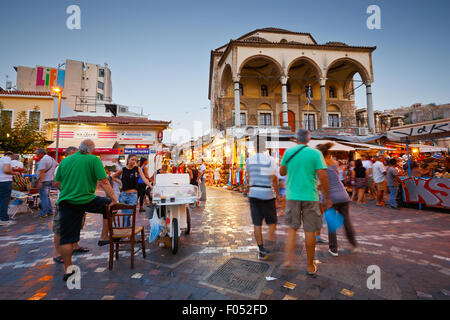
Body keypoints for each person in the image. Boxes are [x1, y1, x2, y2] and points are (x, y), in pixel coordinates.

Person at [55, 139, 118, 281]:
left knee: (66, 238)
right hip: (86, 199)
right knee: (109, 206)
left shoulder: (65, 161)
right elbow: (104, 181)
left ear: (79, 147)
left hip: (66, 202)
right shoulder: (93, 160)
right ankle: (103, 237)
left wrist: (69, 192)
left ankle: (68, 270)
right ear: (92, 150)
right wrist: (114, 199)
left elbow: (57, 183)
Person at [280, 129, 331, 276]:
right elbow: (323, 176)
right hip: (310, 196)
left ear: (296, 138)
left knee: (292, 229)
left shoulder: (288, 152)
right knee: (310, 231)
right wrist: (327, 197)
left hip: (292, 196)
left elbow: (282, 172)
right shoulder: (316, 153)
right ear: (309, 139)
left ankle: (288, 261)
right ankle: (309, 266)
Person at [316, 143, 358, 256]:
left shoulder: (319, 165)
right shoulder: (334, 163)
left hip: (331, 197)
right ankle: (354, 244)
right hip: (343, 195)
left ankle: (333, 249)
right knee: (347, 221)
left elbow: (321, 183)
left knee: (331, 223)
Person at [52, 147, 89, 264]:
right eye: (73, 155)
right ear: (67, 155)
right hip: (64, 202)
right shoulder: (61, 167)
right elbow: (58, 183)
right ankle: (58, 253)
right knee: (59, 228)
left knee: (77, 225)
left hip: (78, 201)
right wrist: (69, 193)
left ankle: (75, 246)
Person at [245, 140, 279, 260]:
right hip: (267, 193)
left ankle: (261, 249)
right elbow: (274, 178)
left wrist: (248, 188)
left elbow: (247, 176)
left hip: (253, 193)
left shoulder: (249, 160)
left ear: (254, 147)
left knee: (257, 223)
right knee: (272, 221)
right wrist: (278, 194)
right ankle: (270, 239)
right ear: (265, 148)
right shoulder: (270, 160)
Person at [112, 154, 152, 224]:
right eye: (132, 159)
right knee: (125, 215)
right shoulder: (123, 169)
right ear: (128, 160)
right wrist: (120, 182)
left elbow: (144, 179)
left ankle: (127, 231)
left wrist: (151, 186)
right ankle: (128, 231)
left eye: (135, 160)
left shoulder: (137, 169)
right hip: (123, 195)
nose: (134, 161)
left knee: (129, 215)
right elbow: (113, 176)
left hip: (133, 195)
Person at [35, 148, 58, 218]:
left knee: (43, 197)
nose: (37, 155)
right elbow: (57, 165)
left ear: (41, 153)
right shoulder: (51, 159)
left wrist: (40, 182)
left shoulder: (43, 160)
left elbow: (42, 172)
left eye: (37, 154)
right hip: (50, 180)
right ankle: (49, 211)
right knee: (46, 197)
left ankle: (44, 213)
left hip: (44, 181)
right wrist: (53, 178)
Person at [0, 151, 20, 226]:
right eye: (13, 157)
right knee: (4, 201)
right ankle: (4, 219)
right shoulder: (7, 159)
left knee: (1, 200)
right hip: (5, 182)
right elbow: (6, 170)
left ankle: (2, 218)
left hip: (1, 181)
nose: (12, 159)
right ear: (10, 155)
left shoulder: (1, 159)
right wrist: (15, 173)